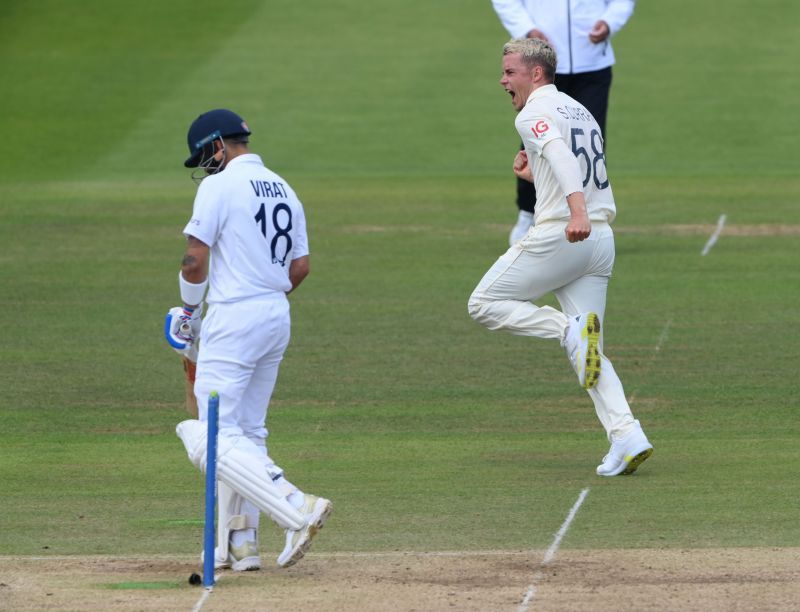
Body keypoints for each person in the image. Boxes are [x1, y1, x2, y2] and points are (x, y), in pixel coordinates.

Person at [467, 38, 652, 476]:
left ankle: (566, 329)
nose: (502, 79)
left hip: (564, 235)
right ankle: (627, 434)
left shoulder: (533, 112)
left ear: (535, 74)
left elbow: (562, 157)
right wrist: (535, 173)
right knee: (591, 352)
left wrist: (576, 211)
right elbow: (572, 163)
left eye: (509, 71)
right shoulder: (577, 109)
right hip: (600, 241)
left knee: (484, 304)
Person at [166, 108, 332, 571]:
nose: (205, 166)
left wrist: (188, 313)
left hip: (234, 317)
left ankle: (295, 504)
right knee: (247, 432)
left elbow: (193, 262)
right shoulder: (284, 187)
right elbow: (299, 267)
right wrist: (265, 295)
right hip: (275, 314)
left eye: (206, 156)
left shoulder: (221, 186)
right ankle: (240, 544)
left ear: (219, 146)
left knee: (209, 434)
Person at [491, 0, 636, 245]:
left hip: (591, 61)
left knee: (589, 141)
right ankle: (529, 213)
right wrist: (528, 30)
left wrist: (610, 22)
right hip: (542, 61)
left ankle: (589, 217)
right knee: (537, 138)